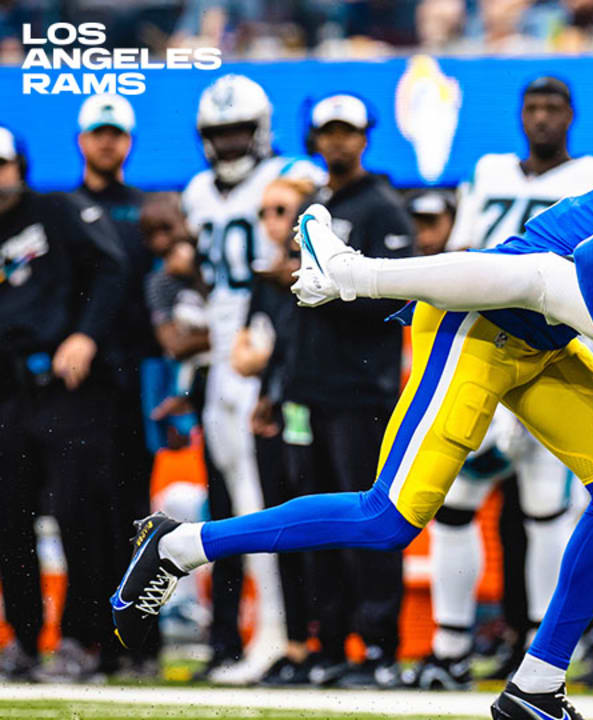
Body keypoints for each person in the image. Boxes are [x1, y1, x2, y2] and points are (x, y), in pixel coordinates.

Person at [113, 158, 593, 720]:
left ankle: (536, 684)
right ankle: (179, 544)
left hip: (547, 343)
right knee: (388, 520)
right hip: (484, 326)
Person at [420, 76, 593, 688]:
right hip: (485, 347)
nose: (542, 119)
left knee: (548, 508)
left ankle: (543, 656)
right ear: (520, 116)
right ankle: (450, 646)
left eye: (553, 108)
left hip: (555, 353)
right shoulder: (488, 173)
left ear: (571, 115)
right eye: (532, 108)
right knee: (456, 505)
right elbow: (461, 257)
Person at [176, 73, 325, 683]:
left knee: (264, 502)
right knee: (235, 503)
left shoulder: (288, 175)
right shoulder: (195, 194)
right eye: (221, 134)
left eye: (241, 131)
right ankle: (246, 636)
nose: (232, 144)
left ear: (262, 130)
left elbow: (311, 210)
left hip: (266, 358)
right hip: (220, 362)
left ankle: (279, 635)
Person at [289, 93, 417, 688]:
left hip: (362, 392)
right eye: (328, 132)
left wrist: (336, 289)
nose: (338, 142)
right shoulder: (319, 204)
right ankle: (332, 643)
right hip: (313, 391)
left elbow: (397, 299)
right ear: (315, 139)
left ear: (365, 136)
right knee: (317, 519)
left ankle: (381, 649)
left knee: (366, 520)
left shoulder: (383, 208)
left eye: (348, 131)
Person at [0, 126, 127, 681]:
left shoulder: (55, 210)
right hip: (8, 392)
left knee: (79, 516)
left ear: (20, 167)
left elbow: (111, 267)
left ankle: (81, 638)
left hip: (67, 386)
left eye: (1, 164)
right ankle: (24, 641)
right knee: (10, 522)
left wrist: (86, 335)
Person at [229, 176, 311, 686]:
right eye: (265, 213)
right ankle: (292, 641)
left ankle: (346, 644)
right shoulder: (265, 280)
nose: (271, 222)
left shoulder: (328, 272)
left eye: (282, 210)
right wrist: (267, 393)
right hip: (278, 412)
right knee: (282, 524)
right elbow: (245, 354)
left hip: (318, 413)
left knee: (324, 526)